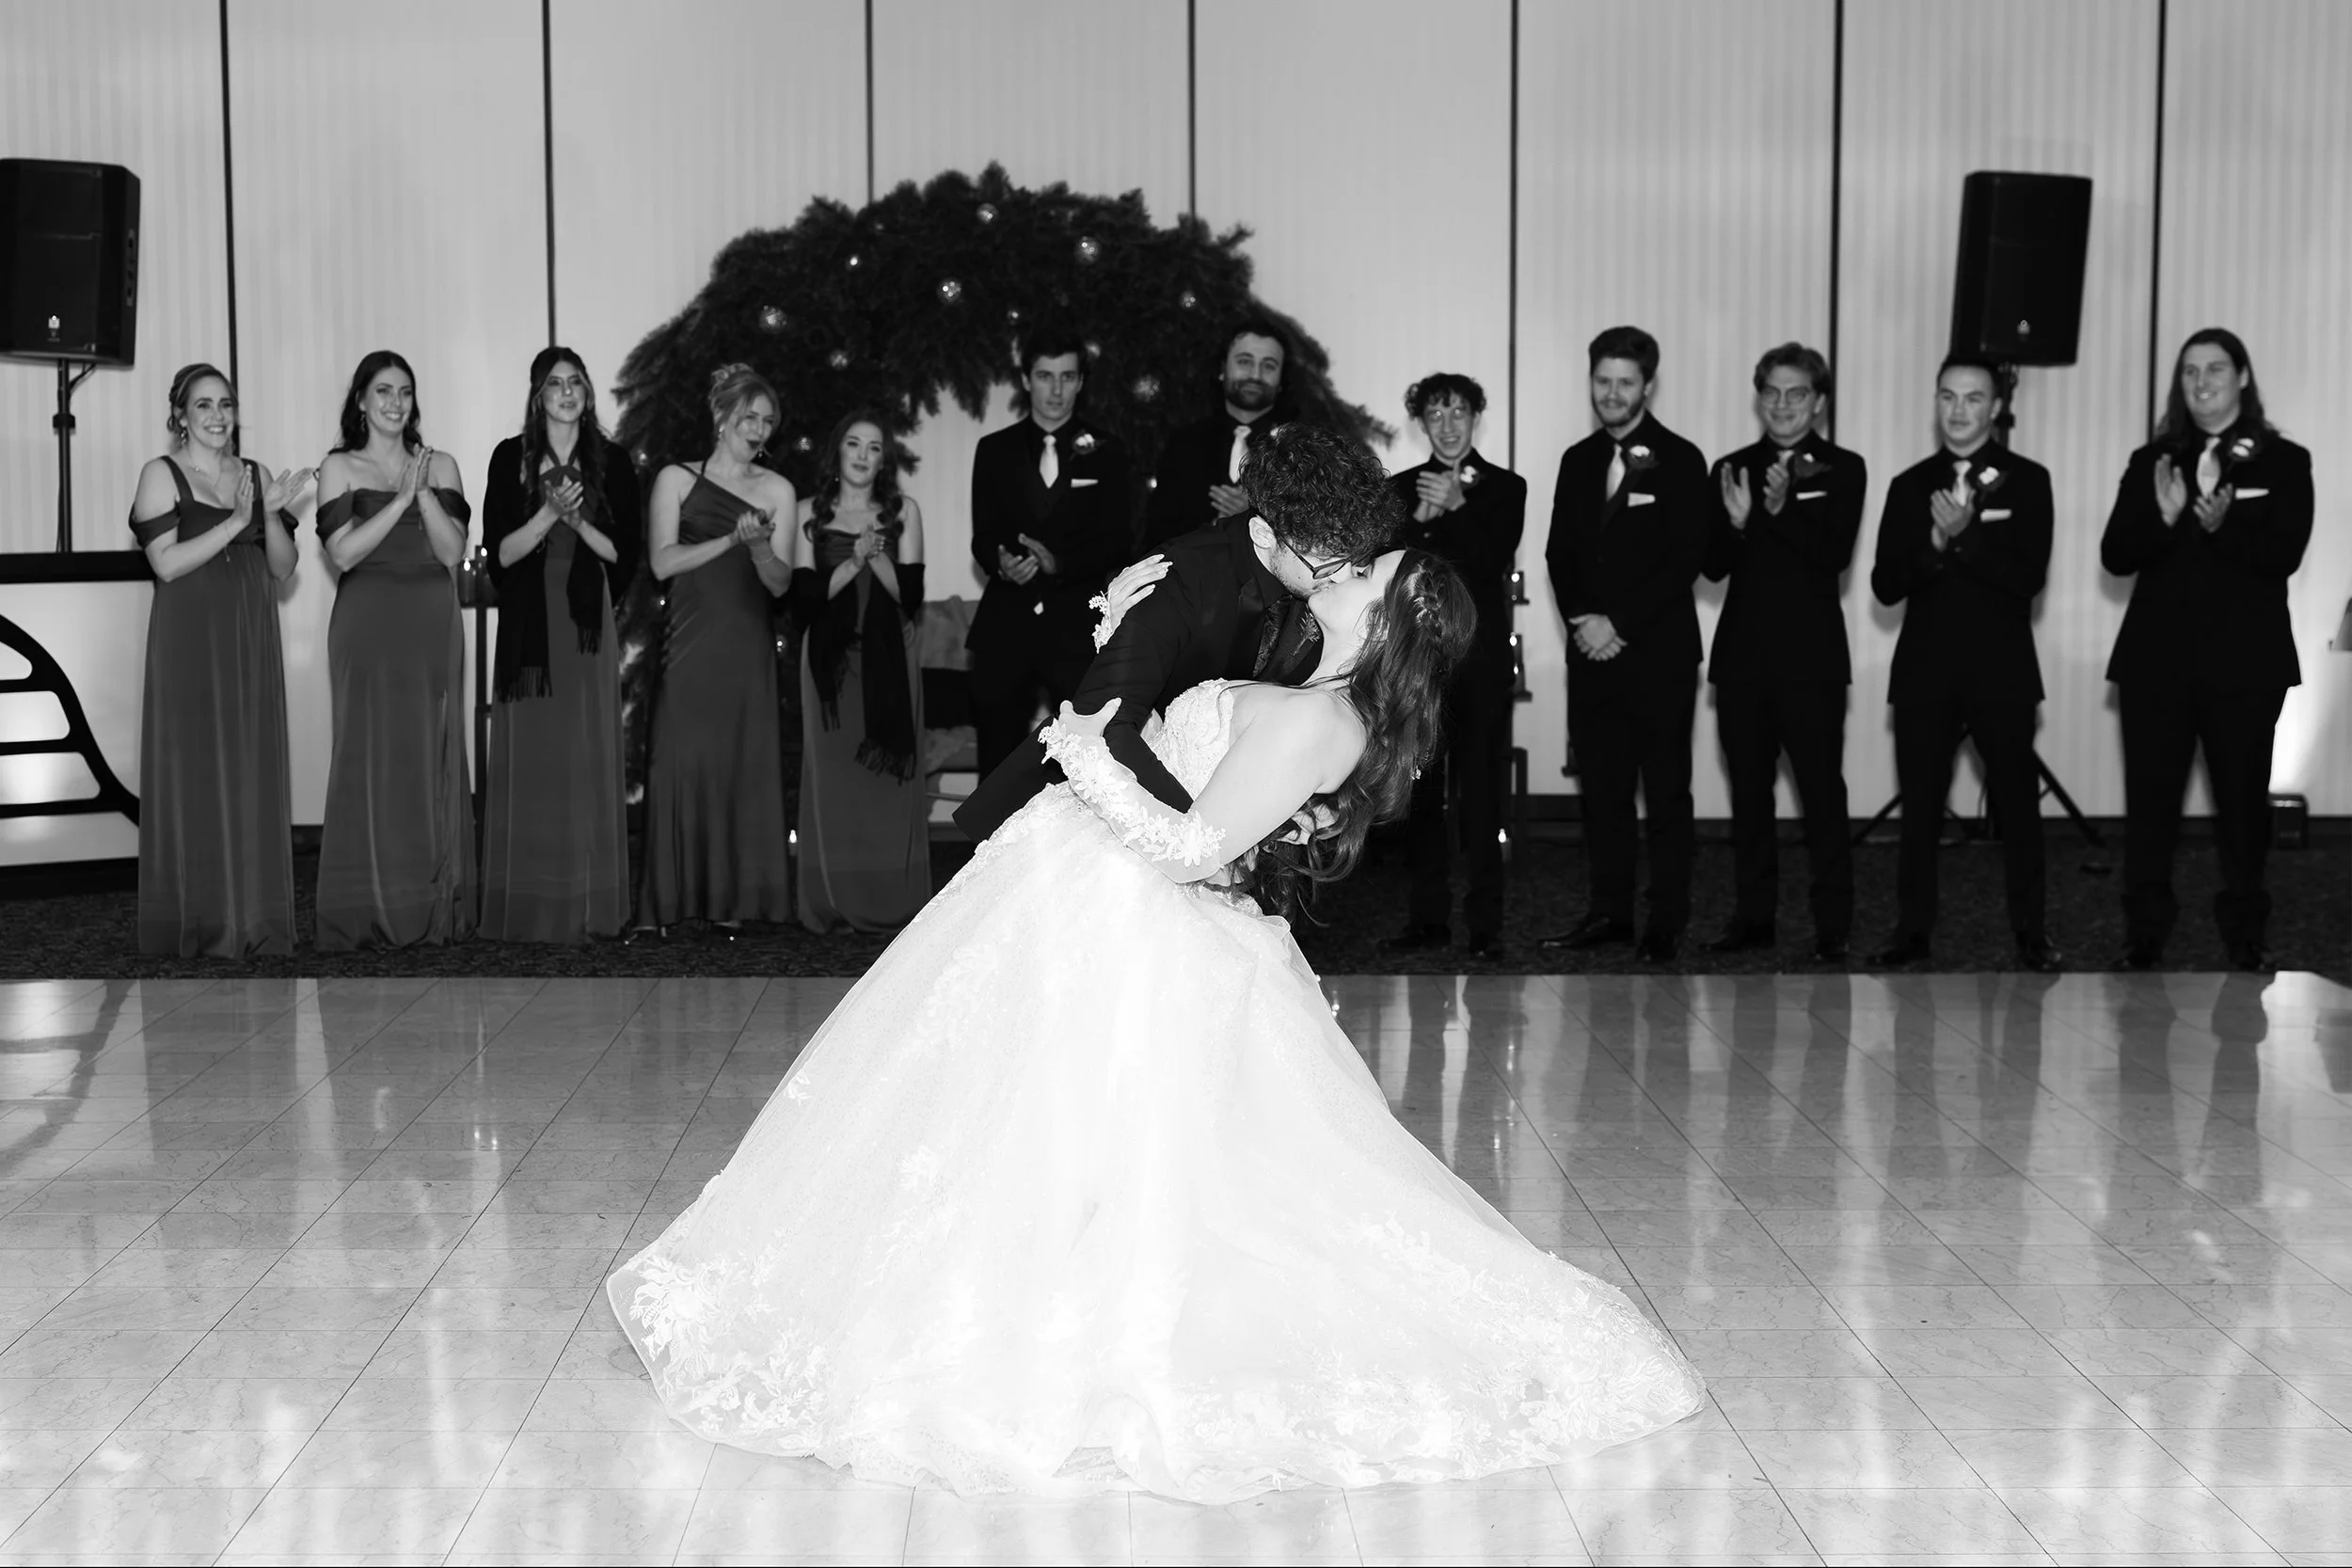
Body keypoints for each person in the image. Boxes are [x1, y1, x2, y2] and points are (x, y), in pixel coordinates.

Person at [606, 533, 1705, 1500]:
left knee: (1094, 1150)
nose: (1344, 564)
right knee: (999, 1125)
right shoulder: (1298, 673)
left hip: (1135, 925)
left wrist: (1081, 750)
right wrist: (1116, 625)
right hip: (1089, 901)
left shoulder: (1328, 717)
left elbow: (1192, 846)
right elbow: (1180, 751)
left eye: (1366, 571)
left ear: (1383, 623)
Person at [953, 422, 1394, 845]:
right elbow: (1100, 723)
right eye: (1327, 565)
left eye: (1351, 562)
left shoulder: (1324, 582)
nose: (1340, 580)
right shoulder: (1176, 578)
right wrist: (1201, 840)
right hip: (1102, 819)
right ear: (1262, 534)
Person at [2101, 329, 2313, 972]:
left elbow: (2283, 554)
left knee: (2243, 808)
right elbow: (2116, 554)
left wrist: (2220, 530)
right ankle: (2145, 935)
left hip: (2245, 666)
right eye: (2190, 372)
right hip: (2155, 665)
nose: (2201, 383)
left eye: (2215, 369)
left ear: (2243, 377)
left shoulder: (2283, 461)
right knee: (2151, 805)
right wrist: (2164, 518)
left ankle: (2246, 935)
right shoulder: (2154, 460)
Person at [1867, 356, 2060, 972]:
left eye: (1973, 398)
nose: (1958, 410)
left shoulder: (2028, 481)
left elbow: (2027, 578)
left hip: (2001, 670)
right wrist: (1933, 544)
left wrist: (1968, 537)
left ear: (1997, 406)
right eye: (1947, 396)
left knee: (2017, 808)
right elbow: (1885, 585)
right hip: (1925, 669)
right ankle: (1912, 932)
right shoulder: (1908, 484)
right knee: (1919, 809)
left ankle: (2032, 934)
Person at [1537, 326, 1708, 963]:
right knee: (1603, 791)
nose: (1612, 393)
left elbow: (1684, 558)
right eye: (1602, 381)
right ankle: (1609, 911)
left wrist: (1620, 624)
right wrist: (1584, 620)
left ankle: (1665, 919)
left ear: (1648, 386)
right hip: (1592, 653)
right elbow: (1560, 552)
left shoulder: (1682, 459)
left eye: (1625, 383)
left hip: (1658, 654)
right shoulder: (1577, 460)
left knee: (1665, 790)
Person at [127, 363, 308, 958]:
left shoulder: (253, 474)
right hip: (189, 639)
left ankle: (250, 917)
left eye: (225, 404)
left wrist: (273, 515)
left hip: (248, 633)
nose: (217, 416)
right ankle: (199, 920)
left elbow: (282, 567)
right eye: (203, 405)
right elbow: (167, 564)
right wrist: (236, 521)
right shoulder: (161, 474)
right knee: (196, 771)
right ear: (180, 415)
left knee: (248, 767)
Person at [1701, 343, 1866, 963]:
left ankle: (1833, 924)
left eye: (1797, 393)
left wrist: (1770, 516)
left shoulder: (1844, 469)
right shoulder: (1730, 467)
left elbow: (1834, 556)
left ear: (1819, 401)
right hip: (1743, 658)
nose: (1783, 404)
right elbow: (1712, 565)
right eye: (1771, 391)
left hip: (1813, 662)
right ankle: (1753, 918)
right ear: (1759, 395)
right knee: (1749, 796)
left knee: (1823, 794)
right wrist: (1740, 525)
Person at [313, 351, 474, 950]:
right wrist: (401, 501)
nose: (393, 402)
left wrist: (424, 494)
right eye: (381, 391)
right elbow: (344, 554)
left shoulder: (443, 465)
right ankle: (368, 906)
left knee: (428, 753)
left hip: (431, 621)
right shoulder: (339, 467)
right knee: (369, 755)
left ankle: (432, 907)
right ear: (360, 401)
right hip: (367, 622)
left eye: (404, 392)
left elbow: (451, 551)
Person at [480, 347, 640, 943]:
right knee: (536, 758)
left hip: (586, 622)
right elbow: (502, 553)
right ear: (536, 395)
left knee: (585, 754)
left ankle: (590, 903)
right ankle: (530, 904)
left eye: (576, 382)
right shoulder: (509, 458)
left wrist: (575, 523)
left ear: (588, 393)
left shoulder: (614, 461)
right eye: (555, 384)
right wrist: (550, 514)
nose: (567, 392)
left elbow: (623, 554)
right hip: (530, 622)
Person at [637, 364, 797, 935]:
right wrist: (732, 537)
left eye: (767, 420)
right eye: (748, 416)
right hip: (689, 642)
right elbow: (662, 561)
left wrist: (756, 550)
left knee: (741, 763)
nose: (758, 429)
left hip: (746, 643)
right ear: (721, 415)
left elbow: (781, 583)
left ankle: (743, 900)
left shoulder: (777, 491)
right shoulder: (675, 480)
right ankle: (674, 901)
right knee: (681, 759)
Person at [1382, 372, 1524, 958]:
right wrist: (1421, 513)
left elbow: (1492, 562)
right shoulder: (1399, 487)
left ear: (1475, 418)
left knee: (1483, 796)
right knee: (1421, 796)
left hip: (1482, 664)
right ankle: (1428, 921)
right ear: (1421, 423)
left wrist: (1459, 508)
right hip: (1420, 664)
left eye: (1458, 413)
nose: (1447, 424)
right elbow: (1391, 562)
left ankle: (1486, 927)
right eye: (1435, 415)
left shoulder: (1505, 486)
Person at [965, 326, 1134, 776]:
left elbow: (1119, 540)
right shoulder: (994, 450)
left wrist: (1061, 564)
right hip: (1005, 623)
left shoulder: (1109, 453)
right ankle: (990, 846)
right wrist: (1001, 563)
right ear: (1026, 380)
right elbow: (983, 536)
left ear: (1080, 381)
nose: (1055, 389)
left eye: (1066, 377)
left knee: (1083, 760)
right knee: (997, 757)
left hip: (1075, 625)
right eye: (1045, 376)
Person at [789, 411, 930, 932]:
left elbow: (910, 596)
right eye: (853, 444)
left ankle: (891, 898)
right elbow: (804, 601)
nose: (863, 455)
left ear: (883, 459)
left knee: (886, 787)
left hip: (889, 661)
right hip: (829, 668)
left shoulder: (904, 511)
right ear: (837, 452)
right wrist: (851, 560)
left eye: (874, 447)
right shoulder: (807, 511)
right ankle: (833, 899)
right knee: (835, 785)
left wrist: (877, 554)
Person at [1140, 316, 1290, 551]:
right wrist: (1215, 525)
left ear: (1281, 380)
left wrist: (1256, 516)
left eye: (1269, 365)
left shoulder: (1298, 449)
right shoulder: (1184, 443)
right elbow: (1157, 536)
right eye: (1244, 361)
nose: (1255, 374)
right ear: (1222, 370)